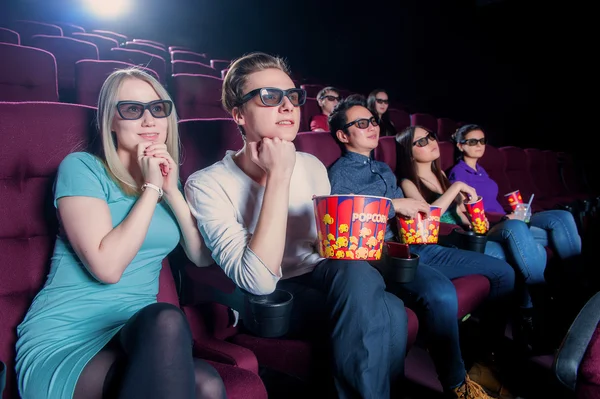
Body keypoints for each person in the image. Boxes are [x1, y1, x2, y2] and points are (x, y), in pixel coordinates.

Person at [185, 52, 408, 399]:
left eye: (292, 96)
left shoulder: (312, 165)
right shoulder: (206, 184)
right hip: (269, 299)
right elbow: (258, 281)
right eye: (270, 97)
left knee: (368, 282)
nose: (288, 106)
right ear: (239, 115)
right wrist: (279, 176)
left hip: (324, 277)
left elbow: (326, 245)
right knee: (389, 309)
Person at [15, 69, 225, 399]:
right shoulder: (83, 168)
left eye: (158, 109)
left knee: (208, 384)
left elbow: (200, 256)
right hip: (69, 334)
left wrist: (170, 190)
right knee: (169, 323)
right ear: (110, 121)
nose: (148, 120)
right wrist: (151, 188)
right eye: (131, 109)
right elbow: (108, 268)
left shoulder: (168, 182)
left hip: (135, 332)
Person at [327, 96, 516, 399]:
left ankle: (482, 360)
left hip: (417, 245)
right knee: (440, 292)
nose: (372, 127)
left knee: (503, 272)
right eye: (361, 124)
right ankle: (457, 384)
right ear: (343, 135)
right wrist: (395, 204)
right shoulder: (340, 173)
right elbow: (347, 220)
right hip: (386, 257)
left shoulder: (383, 169)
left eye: (373, 121)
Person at [396, 125, 554, 350]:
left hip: (464, 236)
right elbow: (429, 215)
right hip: (443, 242)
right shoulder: (407, 182)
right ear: (409, 153)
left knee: (515, 246)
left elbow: (458, 213)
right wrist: (457, 186)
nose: (430, 143)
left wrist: (472, 220)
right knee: (508, 255)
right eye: (420, 142)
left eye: (430, 137)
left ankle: (525, 320)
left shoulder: (440, 174)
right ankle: (525, 319)